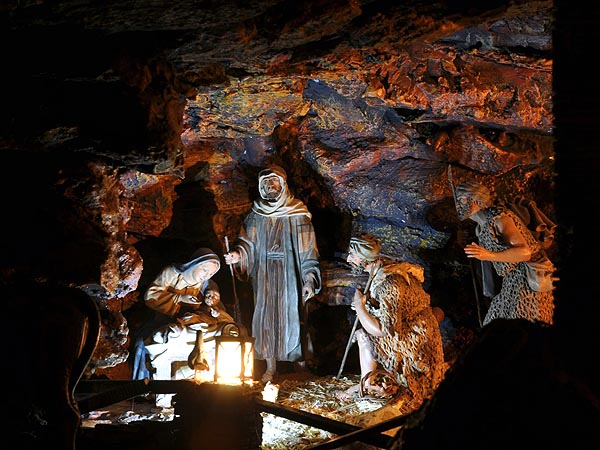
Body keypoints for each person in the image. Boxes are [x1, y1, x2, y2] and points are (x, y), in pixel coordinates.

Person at [224, 165, 321, 383]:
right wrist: (238, 255)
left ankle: (300, 364)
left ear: (283, 184)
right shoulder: (255, 216)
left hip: (290, 274)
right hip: (264, 274)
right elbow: (247, 244)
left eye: (274, 180)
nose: (270, 185)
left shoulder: (297, 214)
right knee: (265, 319)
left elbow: (308, 250)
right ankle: (270, 367)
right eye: (265, 182)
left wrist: (309, 278)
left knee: (294, 316)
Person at [337, 233, 445, 415]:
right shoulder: (380, 269)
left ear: (364, 257)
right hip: (406, 329)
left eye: (352, 255)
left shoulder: (389, 282)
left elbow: (383, 330)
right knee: (363, 333)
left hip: (413, 338)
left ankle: (366, 383)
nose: (348, 259)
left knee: (363, 336)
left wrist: (360, 307)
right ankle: (369, 382)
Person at [133, 248, 239, 407]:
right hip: (163, 320)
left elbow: (212, 291)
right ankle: (154, 393)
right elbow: (151, 295)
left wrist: (213, 304)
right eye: (204, 270)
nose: (205, 275)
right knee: (154, 341)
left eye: (210, 273)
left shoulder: (204, 282)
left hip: (190, 322)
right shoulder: (172, 272)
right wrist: (179, 298)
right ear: (194, 264)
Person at [455, 181, 555, 326]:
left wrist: (488, 255)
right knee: (492, 321)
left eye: (462, 200)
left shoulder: (500, 219)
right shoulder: (480, 228)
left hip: (528, 278)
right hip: (511, 281)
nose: (458, 205)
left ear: (477, 200)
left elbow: (524, 252)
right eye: (457, 201)